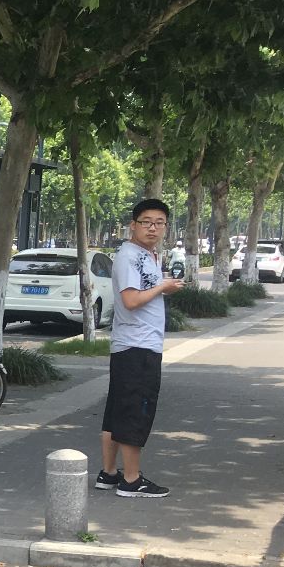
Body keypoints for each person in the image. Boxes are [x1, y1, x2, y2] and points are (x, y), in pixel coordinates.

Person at [100, 199, 181, 499]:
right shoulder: (129, 256)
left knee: (118, 410)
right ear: (133, 225)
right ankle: (131, 480)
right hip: (137, 346)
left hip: (135, 345)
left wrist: (161, 285)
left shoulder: (148, 254)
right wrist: (163, 287)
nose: (153, 228)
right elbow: (131, 300)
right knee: (136, 410)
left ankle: (109, 473)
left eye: (159, 223)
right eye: (146, 222)